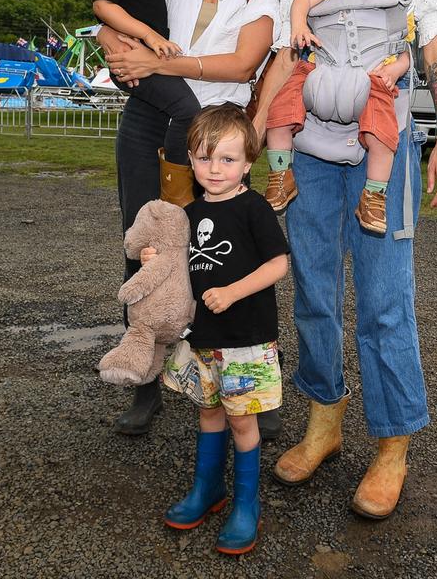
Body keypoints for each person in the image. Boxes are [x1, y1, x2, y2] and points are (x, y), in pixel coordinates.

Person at [250, 0, 437, 520]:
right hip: (309, 147)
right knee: (312, 289)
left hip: (383, 148)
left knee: (383, 300)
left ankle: (393, 444)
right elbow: (287, 54)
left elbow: (432, 44)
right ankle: (325, 420)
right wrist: (254, 136)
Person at [97, 0, 283, 437]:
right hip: (149, 117)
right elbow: (115, 20)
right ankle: (146, 376)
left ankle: (250, 390)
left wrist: (157, 59)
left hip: (216, 130)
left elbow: (245, 60)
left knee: (230, 253)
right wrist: (118, 52)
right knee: (145, 243)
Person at [151, 104, 288, 555]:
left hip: (244, 341)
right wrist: (159, 262)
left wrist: (232, 292)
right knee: (208, 413)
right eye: (205, 157)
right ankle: (207, 490)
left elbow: (278, 264)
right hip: (201, 341)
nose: (215, 168)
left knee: (242, 421)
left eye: (227, 159)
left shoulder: (254, 209)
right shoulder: (187, 212)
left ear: (249, 162)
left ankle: (247, 506)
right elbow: (180, 269)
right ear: (190, 159)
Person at [264, 0, 418, 233]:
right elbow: (303, 0)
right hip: (321, 68)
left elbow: (404, 51)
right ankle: (280, 173)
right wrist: (300, 27)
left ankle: (374, 195)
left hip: (371, 78)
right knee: (280, 110)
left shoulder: (401, 9)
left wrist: (395, 70)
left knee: (384, 136)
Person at [90, 0, 200, 205]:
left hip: (145, 59)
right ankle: (177, 180)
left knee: (181, 111)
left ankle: (170, 179)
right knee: (188, 110)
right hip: (138, 58)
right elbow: (103, 5)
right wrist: (149, 36)